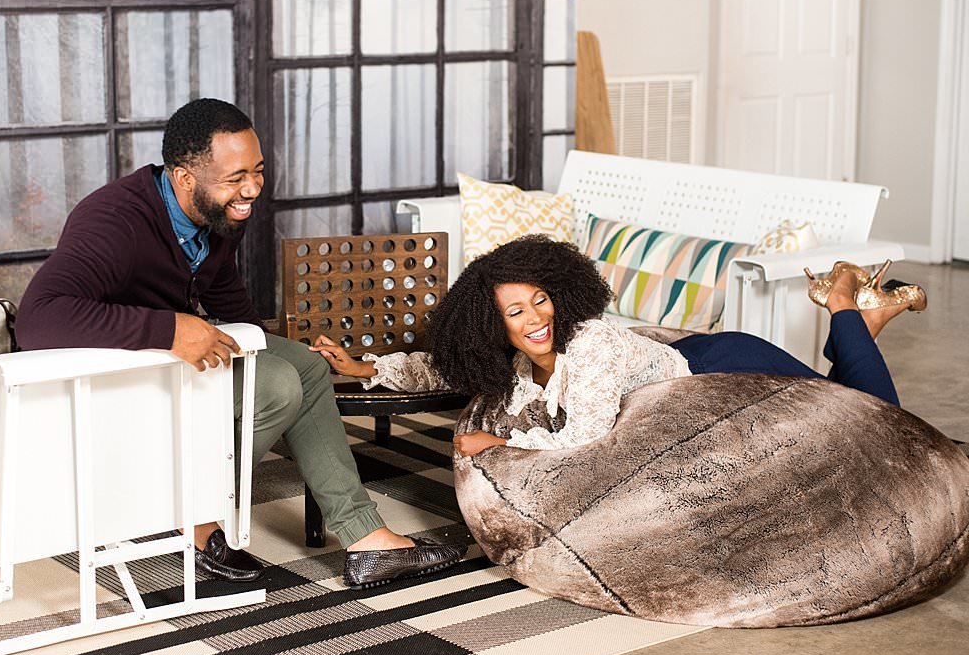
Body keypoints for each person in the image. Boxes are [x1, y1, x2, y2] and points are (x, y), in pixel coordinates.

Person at [15, 98, 465, 589]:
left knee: (306, 368)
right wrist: (168, 329)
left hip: (164, 360)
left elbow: (222, 290)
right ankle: (192, 520)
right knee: (275, 388)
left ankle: (364, 539)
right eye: (234, 178)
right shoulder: (113, 220)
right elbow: (38, 320)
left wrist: (268, 342)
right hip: (109, 376)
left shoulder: (220, 210)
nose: (251, 189)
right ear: (184, 176)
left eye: (258, 171)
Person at [310, 235, 925, 457]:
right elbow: (445, 367)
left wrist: (498, 441)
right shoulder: (511, 353)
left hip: (726, 365)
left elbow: (583, 437)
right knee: (843, 400)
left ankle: (844, 296)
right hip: (700, 378)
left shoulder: (593, 346)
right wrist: (367, 366)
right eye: (515, 313)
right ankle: (869, 321)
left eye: (540, 300)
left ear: (558, 292)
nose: (535, 320)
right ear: (493, 326)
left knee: (874, 417)